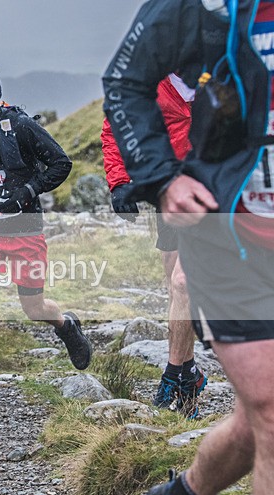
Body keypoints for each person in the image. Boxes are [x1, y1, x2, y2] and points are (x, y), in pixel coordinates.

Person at [104, 0, 274, 495]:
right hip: (225, 231)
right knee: (271, 410)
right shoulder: (205, 5)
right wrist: (155, 179)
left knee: (257, 417)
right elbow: (124, 84)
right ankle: (179, 371)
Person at [0, 64, 92, 406]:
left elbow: (60, 163)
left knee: (33, 307)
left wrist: (26, 192)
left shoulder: (21, 126)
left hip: (25, 233)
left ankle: (67, 326)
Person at [101, 73, 208, 418]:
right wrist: (118, 182)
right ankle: (190, 379)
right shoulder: (152, 75)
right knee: (176, 288)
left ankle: (172, 376)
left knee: (183, 282)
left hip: (212, 191)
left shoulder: (222, 70)